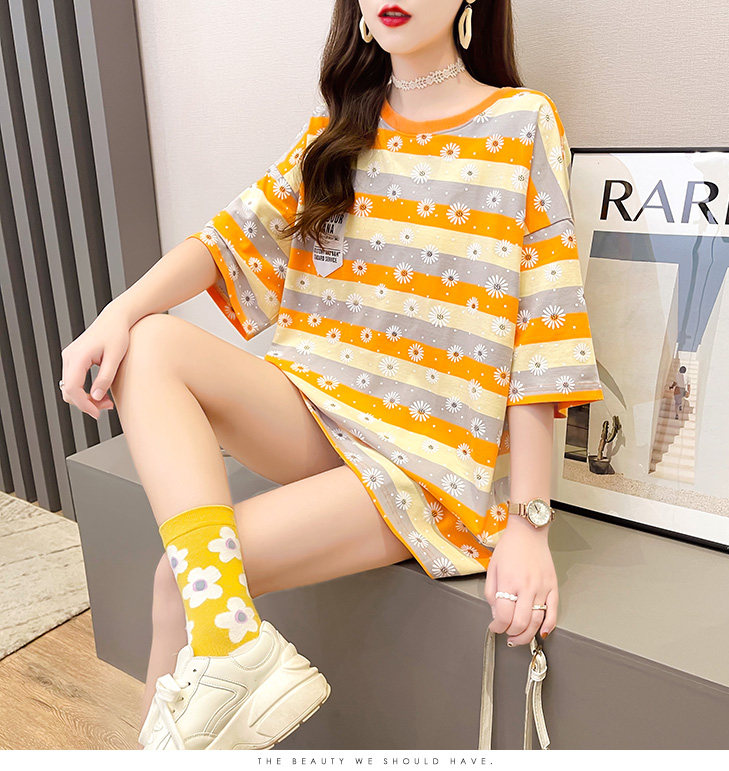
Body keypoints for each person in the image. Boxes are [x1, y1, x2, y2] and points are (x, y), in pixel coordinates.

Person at [59, 0, 604, 751]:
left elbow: (544, 327)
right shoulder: (338, 129)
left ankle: (213, 672)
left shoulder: (521, 123)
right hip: (314, 410)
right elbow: (228, 239)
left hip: (425, 461)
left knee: (176, 582)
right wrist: (116, 313)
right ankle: (233, 650)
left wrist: (529, 523)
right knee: (148, 341)